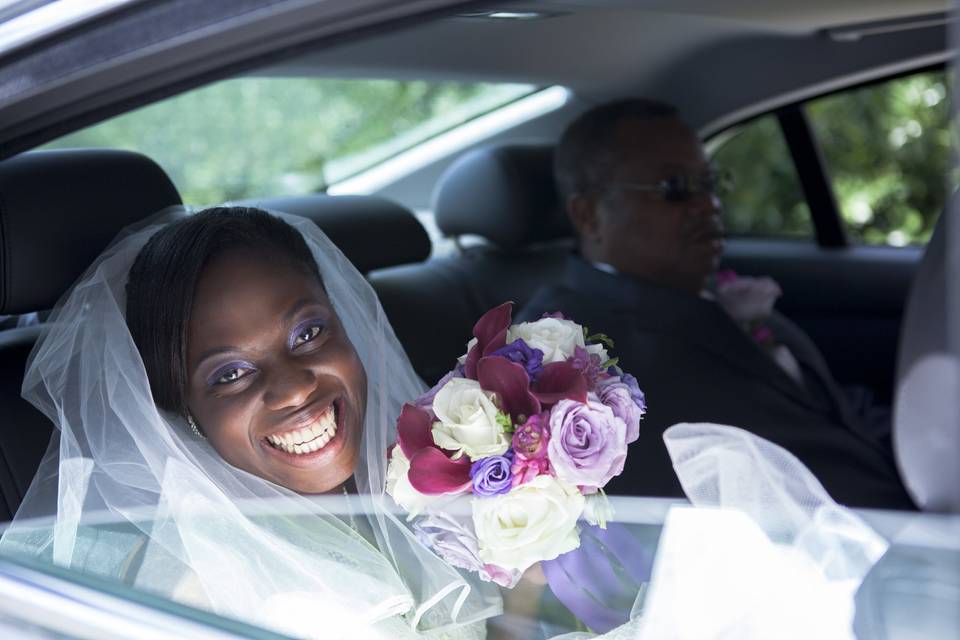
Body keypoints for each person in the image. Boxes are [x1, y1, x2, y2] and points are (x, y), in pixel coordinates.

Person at [0, 206, 500, 638]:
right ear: (182, 409)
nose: (295, 388)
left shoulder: (435, 472)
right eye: (230, 374)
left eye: (308, 333)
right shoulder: (201, 593)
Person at [517, 99, 915, 510]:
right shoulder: (561, 352)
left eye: (707, 184)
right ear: (588, 216)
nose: (709, 205)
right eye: (674, 187)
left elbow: (836, 415)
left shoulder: (719, 295)